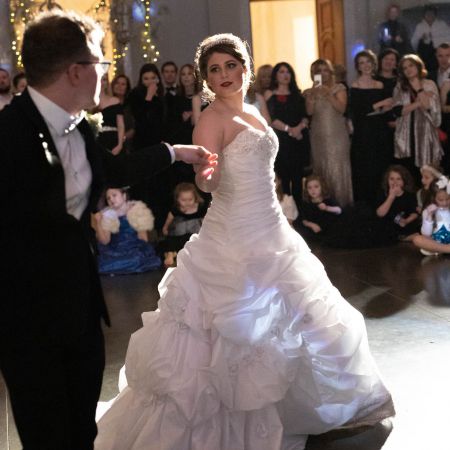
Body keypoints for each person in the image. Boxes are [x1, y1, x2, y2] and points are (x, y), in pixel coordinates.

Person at [95, 33, 394, 450]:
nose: (223, 75)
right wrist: (207, 176)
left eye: (230, 65)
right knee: (237, 328)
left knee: (302, 314)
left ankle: (305, 407)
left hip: (272, 225)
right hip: (234, 230)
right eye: (214, 70)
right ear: (206, 79)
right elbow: (206, 177)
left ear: (245, 67)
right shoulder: (210, 119)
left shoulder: (254, 109)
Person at [0, 10, 215, 450]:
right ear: (76, 71)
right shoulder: (8, 133)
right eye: (101, 62)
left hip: (80, 308)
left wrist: (175, 152)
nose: (105, 72)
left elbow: (114, 170)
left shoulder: (78, 126)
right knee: (46, 434)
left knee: (82, 428)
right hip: (26, 317)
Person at [304, 58, 353, 207]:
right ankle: (322, 204)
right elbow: (309, 112)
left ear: (331, 72)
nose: (323, 73)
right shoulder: (310, 91)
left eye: (325, 70)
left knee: (337, 167)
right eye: (318, 71)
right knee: (320, 167)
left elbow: (341, 109)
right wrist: (312, 96)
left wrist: (328, 94)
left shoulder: (339, 88)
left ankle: (342, 205)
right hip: (318, 135)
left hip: (336, 135)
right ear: (313, 74)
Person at [349, 50, 393, 206]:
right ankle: (365, 204)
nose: (365, 65)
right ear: (358, 67)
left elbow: (388, 107)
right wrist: (378, 105)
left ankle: (381, 201)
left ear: (373, 64)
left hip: (380, 129)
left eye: (368, 61)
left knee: (380, 164)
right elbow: (358, 112)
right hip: (363, 131)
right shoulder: (354, 86)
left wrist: (375, 108)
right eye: (361, 63)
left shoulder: (380, 84)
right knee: (364, 166)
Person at [265, 62, 310, 206]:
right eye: (282, 72)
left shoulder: (297, 94)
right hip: (281, 140)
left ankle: (299, 210)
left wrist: (299, 128)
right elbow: (272, 119)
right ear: (275, 76)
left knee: (298, 177)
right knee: (283, 177)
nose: (285, 75)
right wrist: (290, 129)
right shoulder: (270, 94)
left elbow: (305, 116)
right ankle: (287, 210)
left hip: (298, 139)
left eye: (288, 72)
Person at [392, 54, 442, 184]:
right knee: (408, 174)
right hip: (406, 135)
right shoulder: (400, 86)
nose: (408, 69)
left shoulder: (429, 84)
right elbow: (398, 111)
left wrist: (419, 89)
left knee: (426, 173)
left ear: (418, 66)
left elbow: (430, 108)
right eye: (404, 68)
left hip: (425, 134)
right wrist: (418, 103)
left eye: (411, 66)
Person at [95, 187, 161, 274]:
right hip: (115, 250)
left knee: (137, 259)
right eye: (108, 198)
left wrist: (143, 249)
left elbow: (143, 237)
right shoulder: (108, 215)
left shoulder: (136, 210)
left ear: (124, 196)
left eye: (114, 195)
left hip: (133, 247)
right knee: (103, 264)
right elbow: (105, 241)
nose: (111, 199)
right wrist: (98, 223)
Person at [160, 182, 208, 267]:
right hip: (179, 231)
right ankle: (171, 253)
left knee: (194, 240)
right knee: (171, 239)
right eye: (183, 200)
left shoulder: (200, 207)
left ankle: (193, 254)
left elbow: (206, 219)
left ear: (195, 198)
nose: (187, 203)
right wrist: (165, 227)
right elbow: (170, 218)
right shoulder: (176, 208)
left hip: (195, 231)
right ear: (177, 199)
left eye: (190, 199)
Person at [376, 165, 419, 240]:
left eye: (398, 179)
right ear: (387, 180)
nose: (395, 182)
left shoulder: (409, 195)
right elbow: (380, 213)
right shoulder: (383, 193)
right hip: (387, 226)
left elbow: (414, 213)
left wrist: (406, 221)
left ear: (404, 181)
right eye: (391, 179)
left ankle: (404, 237)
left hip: (404, 225)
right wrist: (391, 196)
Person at [294, 174, 342, 242]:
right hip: (313, 229)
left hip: (329, 228)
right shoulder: (306, 203)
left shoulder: (327, 200)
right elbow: (304, 219)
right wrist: (311, 225)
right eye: (309, 188)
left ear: (322, 187)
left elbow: (339, 210)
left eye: (316, 187)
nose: (313, 190)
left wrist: (327, 208)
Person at [413, 176, 450, 255]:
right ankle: (445, 249)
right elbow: (426, 234)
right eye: (441, 200)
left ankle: (439, 250)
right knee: (417, 239)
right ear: (433, 198)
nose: (445, 203)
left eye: (448, 199)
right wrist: (429, 216)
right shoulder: (427, 211)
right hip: (436, 243)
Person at [411, 5, 450, 73]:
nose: (430, 16)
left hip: (439, 49)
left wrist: (436, 39)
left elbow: (448, 36)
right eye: (427, 14)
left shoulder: (442, 24)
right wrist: (421, 38)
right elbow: (414, 42)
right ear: (424, 15)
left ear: (435, 15)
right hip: (425, 51)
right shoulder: (420, 26)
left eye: (432, 14)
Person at [96, 74, 125, 155]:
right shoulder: (87, 103)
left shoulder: (115, 101)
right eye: (99, 79)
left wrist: (120, 145)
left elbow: (121, 125)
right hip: (96, 142)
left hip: (113, 140)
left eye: (104, 79)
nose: (102, 82)